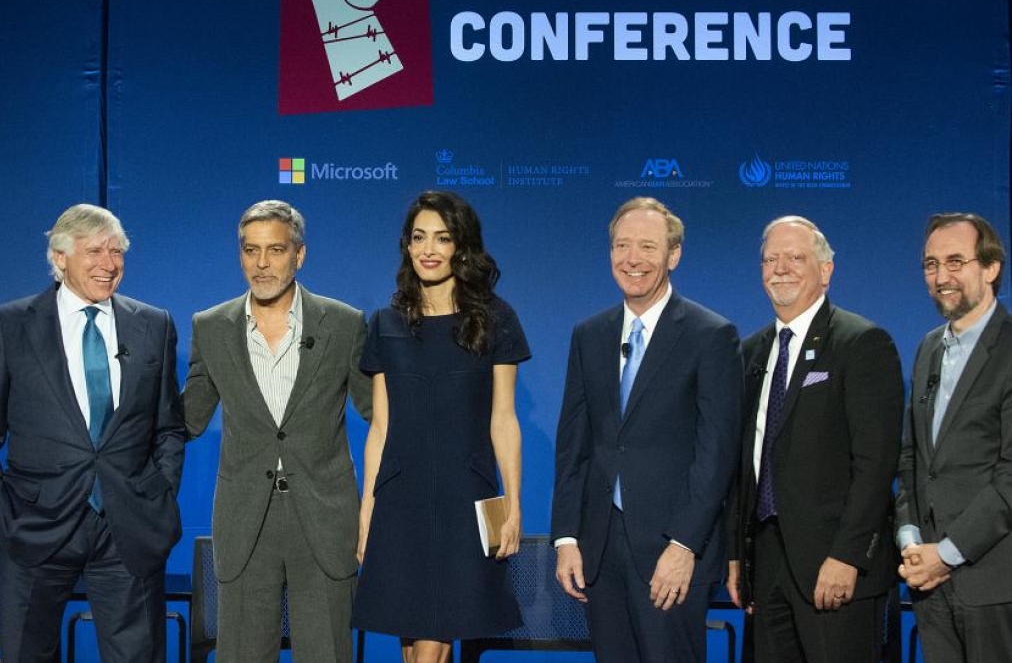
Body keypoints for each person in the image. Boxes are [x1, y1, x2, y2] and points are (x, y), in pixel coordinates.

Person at [0, 203, 185, 662]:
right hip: (34, 523)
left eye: (117, 251)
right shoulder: (10, 323)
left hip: (128, 524)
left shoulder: (154, 324)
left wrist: (158, 493)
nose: (109, 264)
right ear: (60, 257)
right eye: (94, 251)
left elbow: (169, 427)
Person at [550, 196, 742, 663]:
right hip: (599, 551)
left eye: (647, 247)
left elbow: (715, 454)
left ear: (673, 255)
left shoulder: (710, 335)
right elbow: (574, 444)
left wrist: (684, 545)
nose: (632, 260)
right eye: (622, 246)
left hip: (669, 552)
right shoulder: (589, 335)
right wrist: (566, 538)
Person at [184, 200, 372, 663]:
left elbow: (380, 414)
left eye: (275, 250)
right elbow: (186, 419)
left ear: (299, 255)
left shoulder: (344, 324)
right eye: (251, 251)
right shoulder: (210, 327)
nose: (261, 264)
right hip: (246, 516)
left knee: (327, 654)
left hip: (326, 518)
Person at [353, 191, 528, 663]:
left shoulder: (494, 318)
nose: (429, 249)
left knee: (432, 641)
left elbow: (504, 418)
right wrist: (367, 510)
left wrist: (512, 505)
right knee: (411, 646)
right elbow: (381, 427)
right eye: (419, 237)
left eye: (442, 238)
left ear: (461, 247)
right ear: (407, 247)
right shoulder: (387, 323)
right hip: (400, 499)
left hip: (464, 497)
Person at [726, 216, 903, 662]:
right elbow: (742, 464)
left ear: (825, 270)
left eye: (794, 258)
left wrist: (847, 556)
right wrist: (737, 556)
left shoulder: (862, 343)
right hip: (766, 567)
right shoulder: (751, 352)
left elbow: (876, 463)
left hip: (834, 566)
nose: (780, 268)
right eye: (771, 259)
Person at [896, 212, 1012, 661]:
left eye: (955, 261)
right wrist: (910, 542)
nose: (941, 277)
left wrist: (948, 553)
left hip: (993, 584)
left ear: (990, 267)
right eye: (931, 264)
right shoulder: (928, 348)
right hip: (929, 584)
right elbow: (912, 460)